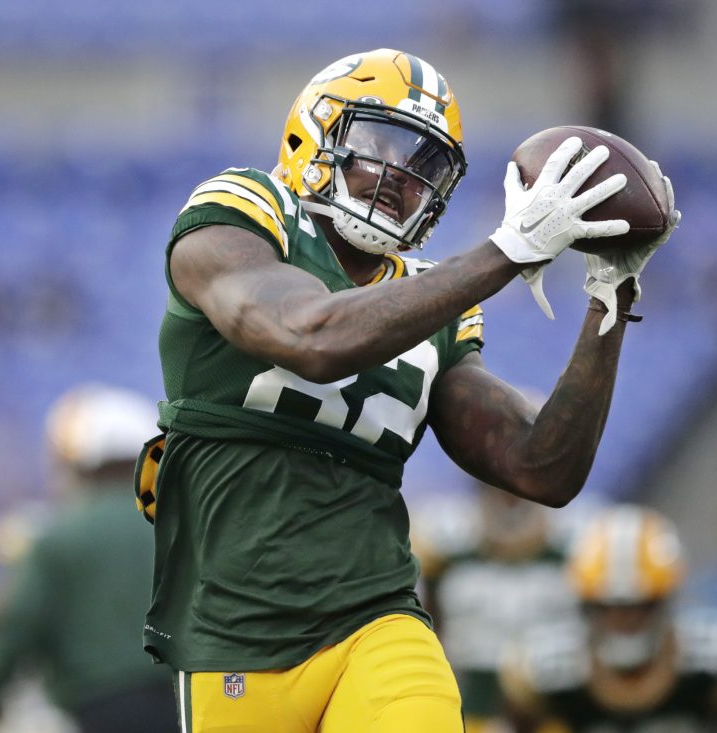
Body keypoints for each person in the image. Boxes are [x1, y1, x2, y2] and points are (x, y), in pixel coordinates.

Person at [138, 48, 679, 733]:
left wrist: (611, 296)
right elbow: (310, 337)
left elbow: (541, 467)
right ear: (314, 135)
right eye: (383, 146)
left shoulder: (433, 302)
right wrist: (506, 251)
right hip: (230, 630)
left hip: (375, 616)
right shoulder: (246, 212)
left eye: (425, 165)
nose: (402, 176)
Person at [0, 384, 175, 733]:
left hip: (101, 708)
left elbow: (13, 636)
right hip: (187, 697)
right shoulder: (186, 528)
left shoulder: (56, 538)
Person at [501, 504, 717, 732]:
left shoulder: (714, 662)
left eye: (641, 606)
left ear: (664, 601)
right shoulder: (547, 670)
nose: (624, 619)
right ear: (587, 606)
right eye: (609, 607)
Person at [412, 483, 581, 732]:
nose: (510, 500)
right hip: (466, 712)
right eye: (501, 488)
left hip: (555, 717)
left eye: (521, 489)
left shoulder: (578, 543)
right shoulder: (444, 541)